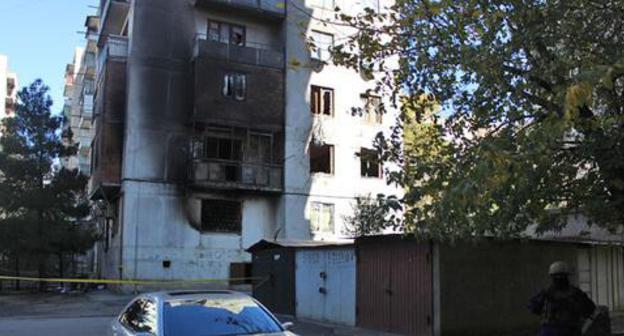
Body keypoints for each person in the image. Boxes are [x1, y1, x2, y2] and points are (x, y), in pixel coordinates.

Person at [528, 261, 596, 336]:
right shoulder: (576, 293)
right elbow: (590, 309)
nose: (559, 278)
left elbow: (533, 308)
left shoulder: (546, 292)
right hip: (569, 330)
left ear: (551, 276)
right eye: (558, 276)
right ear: (567, 276)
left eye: (561, 276)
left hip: (551, 330)